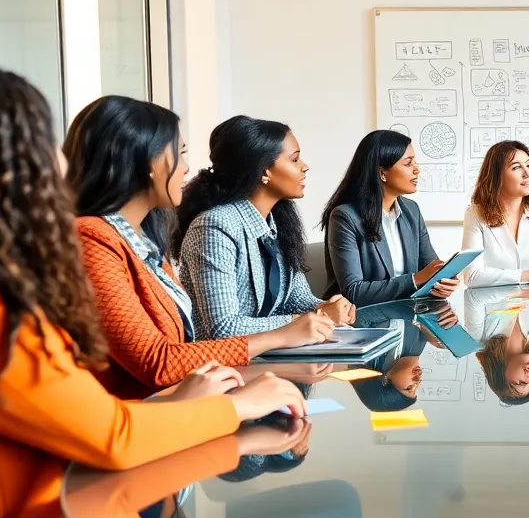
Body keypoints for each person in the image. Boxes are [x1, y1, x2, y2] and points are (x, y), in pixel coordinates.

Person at [0, 59, 307, 518]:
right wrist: (239, 406)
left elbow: (85, 419)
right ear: (0, 168)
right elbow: (113, 432)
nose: (57, 166)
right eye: (40, 146)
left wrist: (185, 403)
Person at [64, 96, 334, 400]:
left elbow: (178, 349)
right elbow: (159, 362)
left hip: (176, 398)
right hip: (139, 414)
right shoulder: (92, 241)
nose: (187, 168)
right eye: (179, 154)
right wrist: (283, 333)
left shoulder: (144, 240)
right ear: (145, 163)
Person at [172, 115, 356, 339]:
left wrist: (328, 308)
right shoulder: (214, 227)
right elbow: (223, 328)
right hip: (226, 359)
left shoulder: (277, 221)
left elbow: (297, 299)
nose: (305, 167)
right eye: (295, 159)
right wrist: (303, 320)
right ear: (264, 171)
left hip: (272, 353)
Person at [321, 130, 459, 306]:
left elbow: (430, 269)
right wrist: (416, 279)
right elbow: (353, 292)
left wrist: (442, 282)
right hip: (360, 318)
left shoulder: (412, 210)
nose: (417, 169)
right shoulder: (345, 217)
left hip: (405, 313)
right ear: (382, 173)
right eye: (408, 163)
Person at [461, 141, 529, 288]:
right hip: (492, 302)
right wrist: (525, 275)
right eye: (516, 167)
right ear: (497, 176)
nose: (528, 173)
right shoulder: (475, 214)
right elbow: (472, 276)